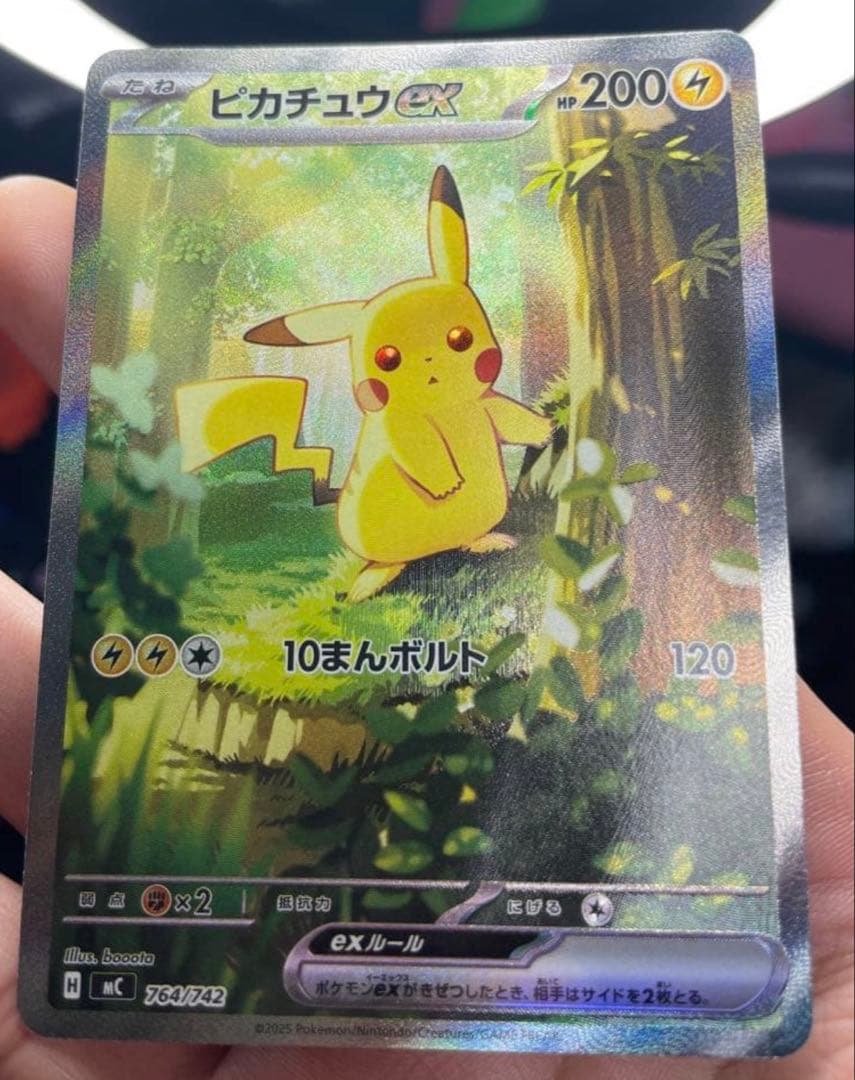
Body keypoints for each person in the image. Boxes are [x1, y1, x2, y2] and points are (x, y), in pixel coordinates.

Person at [0, 175, 851, 1079]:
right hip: (398, 524)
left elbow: (508, 422)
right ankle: (394, 559)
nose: (442, 364)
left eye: (455, 342)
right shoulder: (403, 418)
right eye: (401, 357)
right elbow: (421, 445)